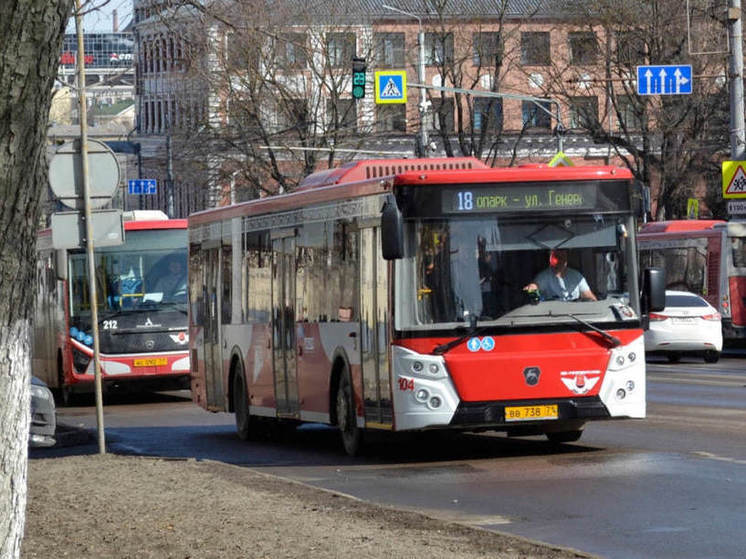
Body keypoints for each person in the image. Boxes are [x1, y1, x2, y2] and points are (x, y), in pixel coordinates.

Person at [524, 249, 597, 302]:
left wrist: (594, 303)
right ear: (551, 259)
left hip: (575, 318)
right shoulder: (544, 276)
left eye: (562, 257)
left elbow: (589, 297)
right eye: (557, 257)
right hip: (552, 317)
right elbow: (535, 286)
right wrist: (532, 289)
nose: (560, 261)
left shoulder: (576, 276)